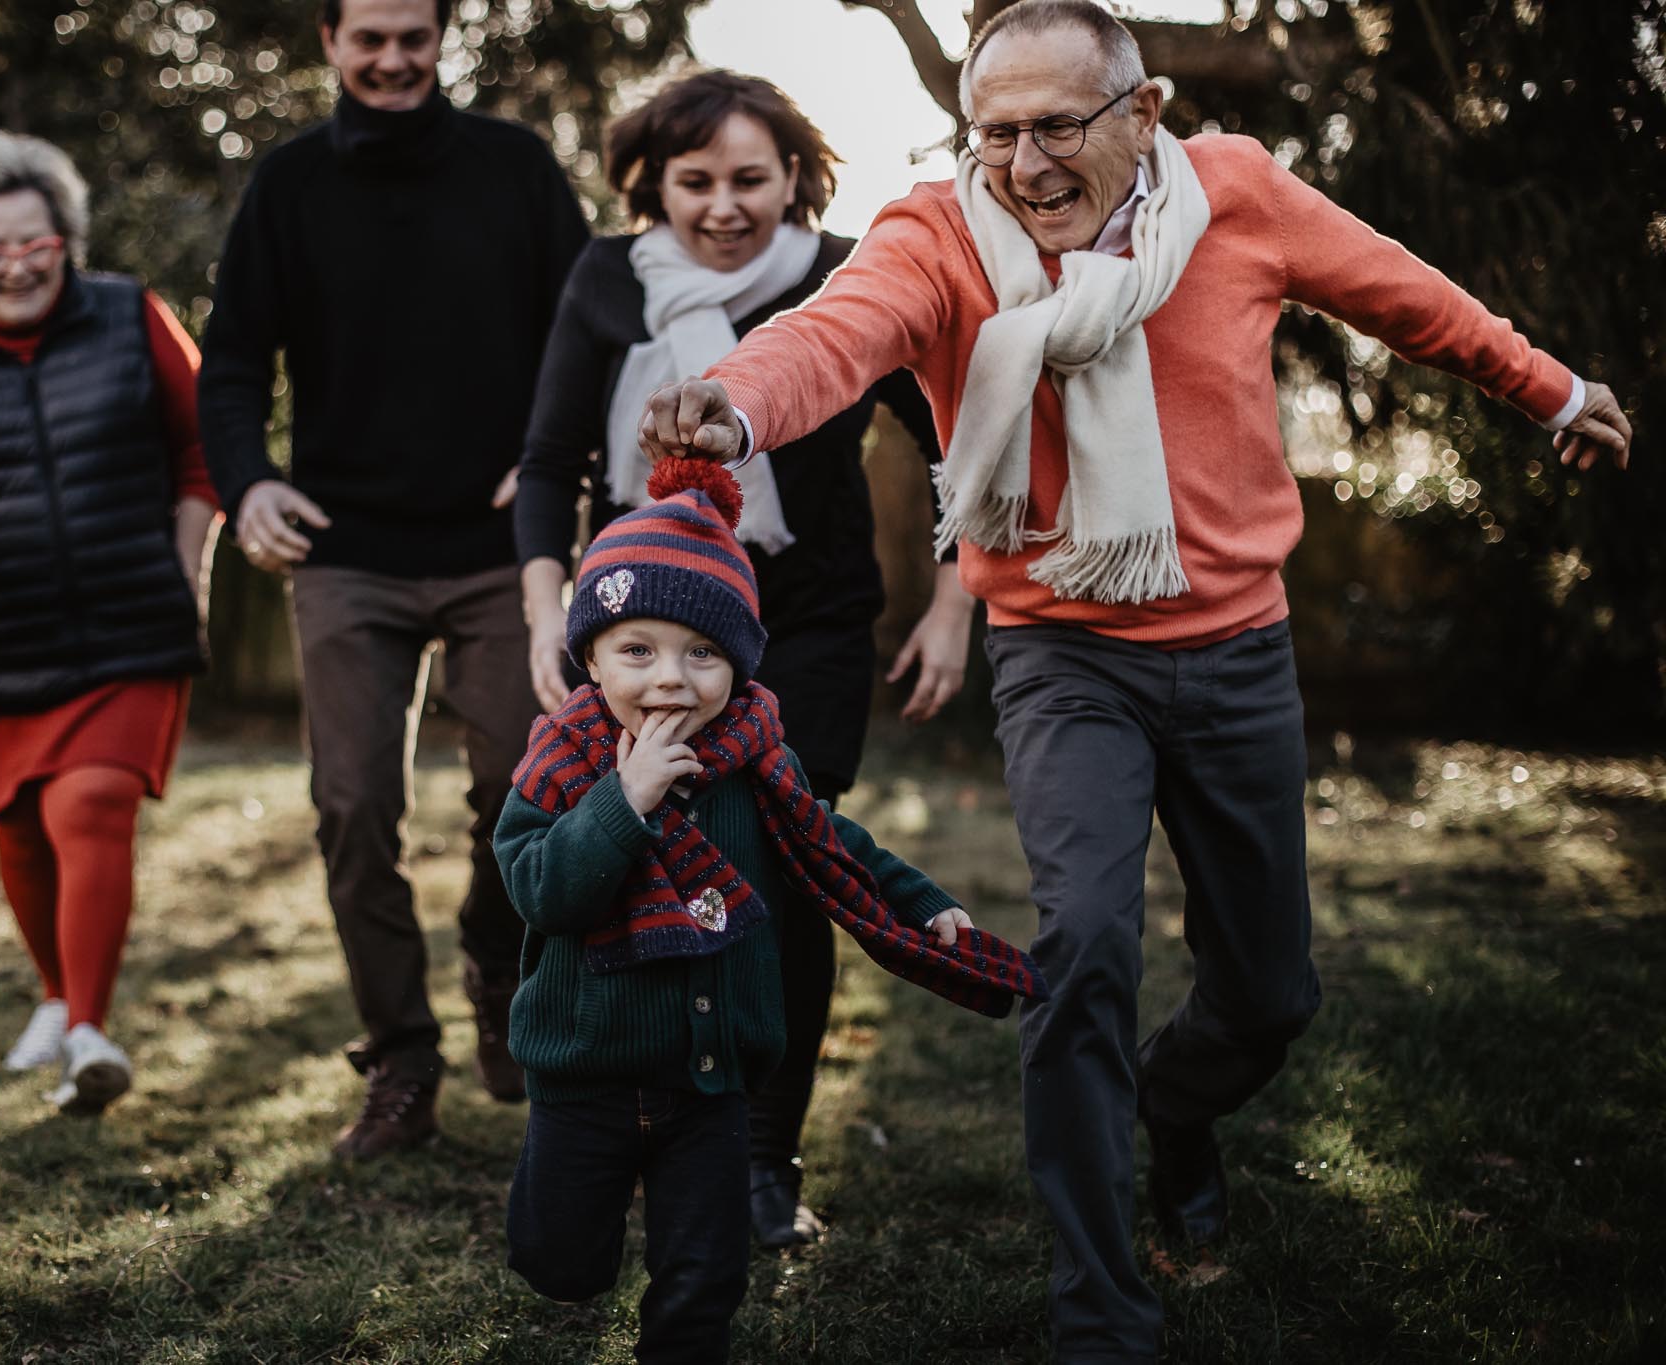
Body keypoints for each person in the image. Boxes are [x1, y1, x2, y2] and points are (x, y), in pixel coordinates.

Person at [635, 1, 1633, 1358]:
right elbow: (837, 332)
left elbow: (1409, 297)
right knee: (1087, 948)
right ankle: (1099, 1307)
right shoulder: (936, 234)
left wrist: (1551, 390)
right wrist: (736, 399)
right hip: (1060, 657)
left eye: (1059, 126)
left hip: (1237, 652)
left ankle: (1178, 1111)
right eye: (997, 131)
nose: (1028, 164)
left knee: (1271, 996)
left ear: (1144, 115)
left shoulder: (1238, 197)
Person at [515, 68, 975, 1247]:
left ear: (796, 180)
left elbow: (956, 448)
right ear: (650, 184)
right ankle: (624, 1105)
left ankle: (763, 1153)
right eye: (695, 180)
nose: (723, 206)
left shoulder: (840, 282)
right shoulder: (608, 279)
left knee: (784, 852)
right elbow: (555, 455)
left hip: (805, 623)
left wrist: (950, 604)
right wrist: (541, 614)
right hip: (635, 625)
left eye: (749, 180)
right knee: (607, 843)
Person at [498, 456, 1045, 1364]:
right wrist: (622, 803)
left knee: (704, 1281)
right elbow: (543, 888)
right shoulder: (563, 767)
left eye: (701, 654)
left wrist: (926, 903)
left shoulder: (756, 762)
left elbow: (836, 846)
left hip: (713, 1083)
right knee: (559, 1261)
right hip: (586, 1076)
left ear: (739, 663)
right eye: (637, 650)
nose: (671, 679)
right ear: (589, 658)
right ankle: (562, 1241)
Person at [199, 0, 588, 1158]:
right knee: (354, 807)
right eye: (367, 37)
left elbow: (588, 331)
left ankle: (498, 958)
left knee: (525, 794)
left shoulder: (514, 170)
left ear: (440, 37)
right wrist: (247, 487)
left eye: (411, 35)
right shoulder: (286, 187)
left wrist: (545, 459)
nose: (390, 58)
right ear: (329, 42)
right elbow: (227, 371)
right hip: (345, 553)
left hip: (497, 554)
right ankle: (402, 1059)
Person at [0, 133, 219, 1116]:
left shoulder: (129, 315)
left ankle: (86, 1033)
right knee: (23, 833)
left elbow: (203, 441)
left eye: (35, 244)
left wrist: (188, 559)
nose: (16, 264)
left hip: (132, 622)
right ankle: (53, 995)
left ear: (65, 242)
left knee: (90, 805)